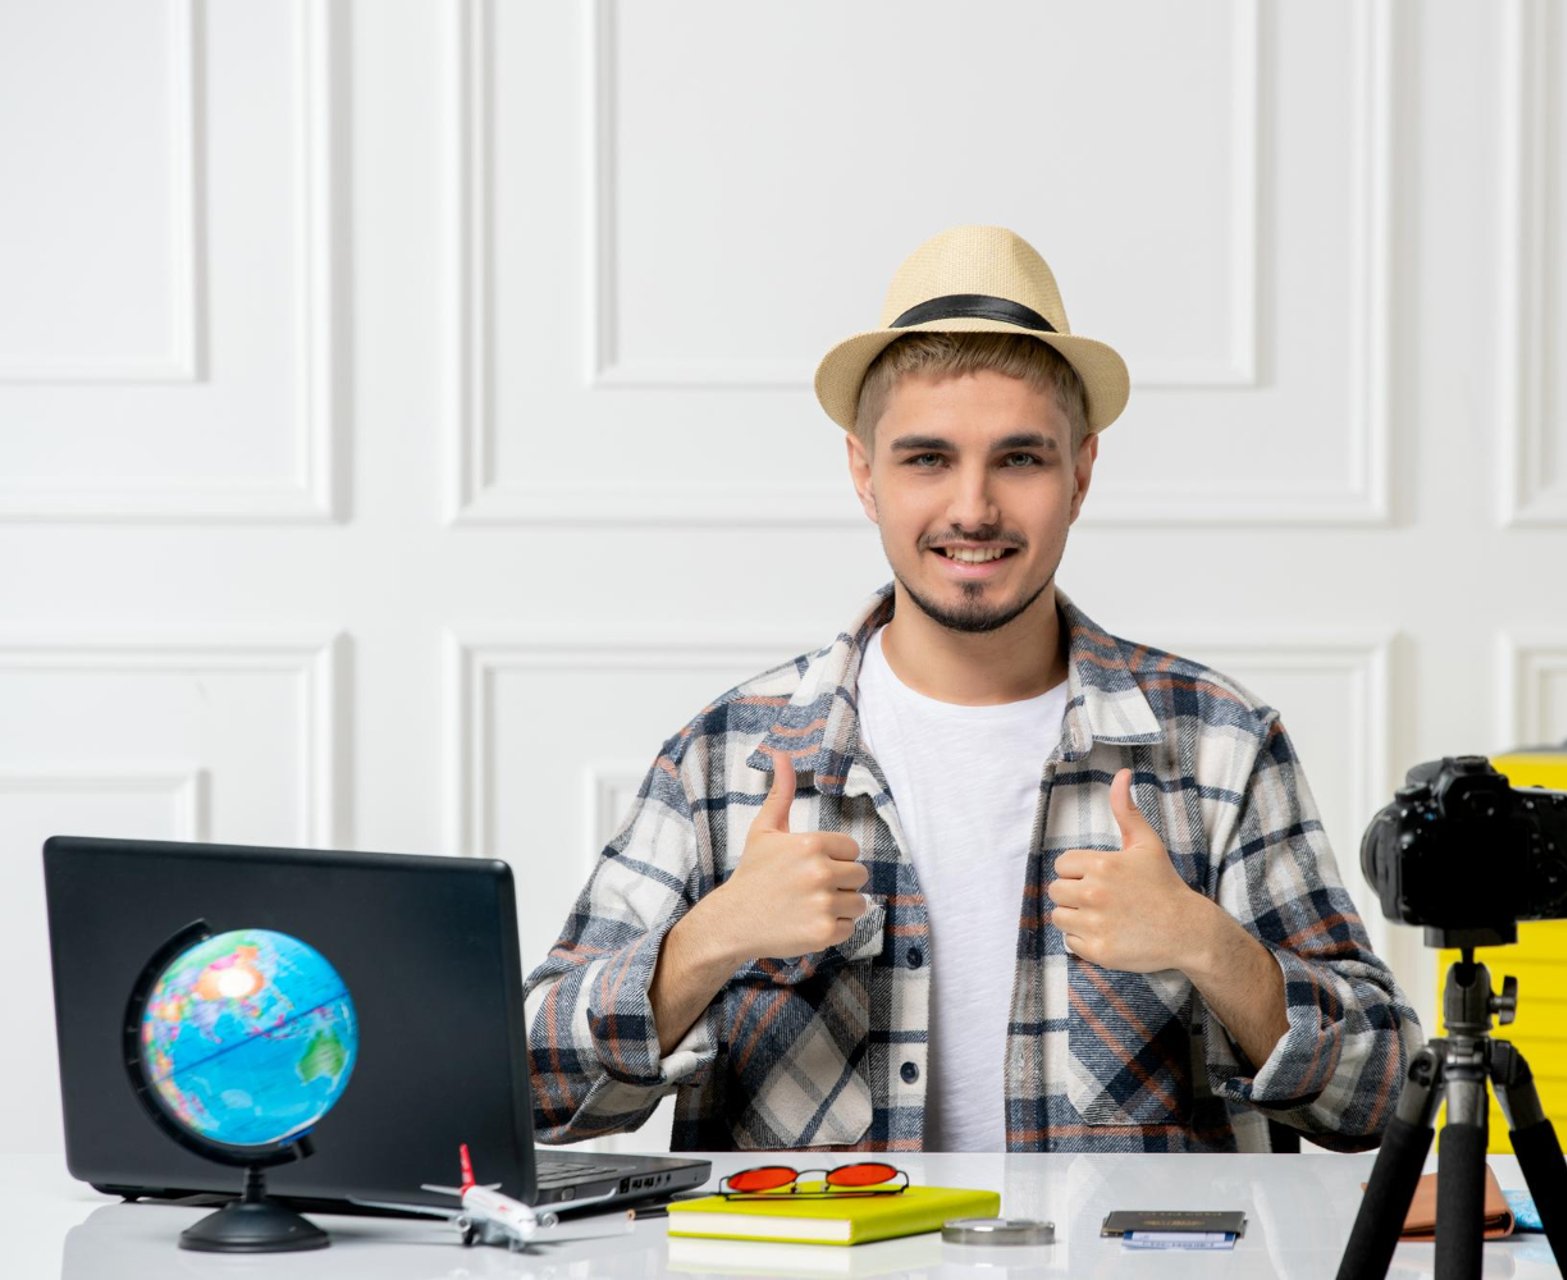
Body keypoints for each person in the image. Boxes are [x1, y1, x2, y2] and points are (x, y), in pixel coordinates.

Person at [524, 225, 1420, 1154]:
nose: (973, 508)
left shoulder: (1219, 746)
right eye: (927, 459)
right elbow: (528, 1088)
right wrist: (708, 941)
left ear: (1081, 473)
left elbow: (1386, 1097)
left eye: (1020, 459)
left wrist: (1210, 945)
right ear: (863, 474)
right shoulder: (729, 759)